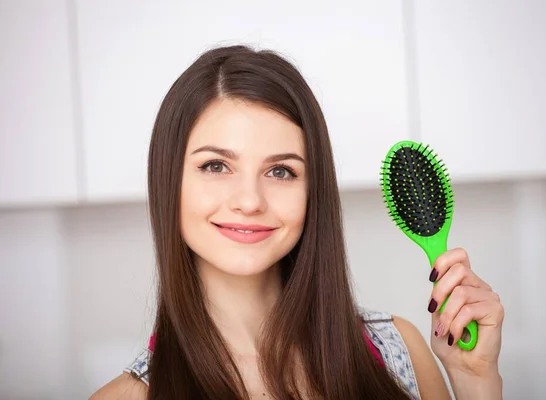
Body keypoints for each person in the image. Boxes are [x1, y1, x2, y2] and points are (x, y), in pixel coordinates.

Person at [90, 44, 504, 400]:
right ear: (168, 179)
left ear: (313, 190)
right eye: (216, 165)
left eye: (281, 171)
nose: (250, 201)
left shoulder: (400, 351)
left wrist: (475, 380)